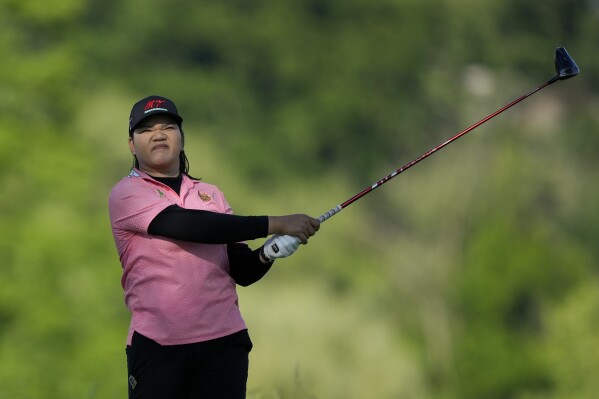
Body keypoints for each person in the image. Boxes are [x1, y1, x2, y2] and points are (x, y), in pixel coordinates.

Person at [108, 95, 320, 399]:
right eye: (145, 130)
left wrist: (270, 252)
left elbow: (242, 271)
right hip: (158, 346)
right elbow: (190, 226)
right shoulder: (126, 193)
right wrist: (276, 223)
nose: (158, 134)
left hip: (224, 344)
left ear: (181, 138)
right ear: (132, 145)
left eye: (168, 126)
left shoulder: (211, 194)